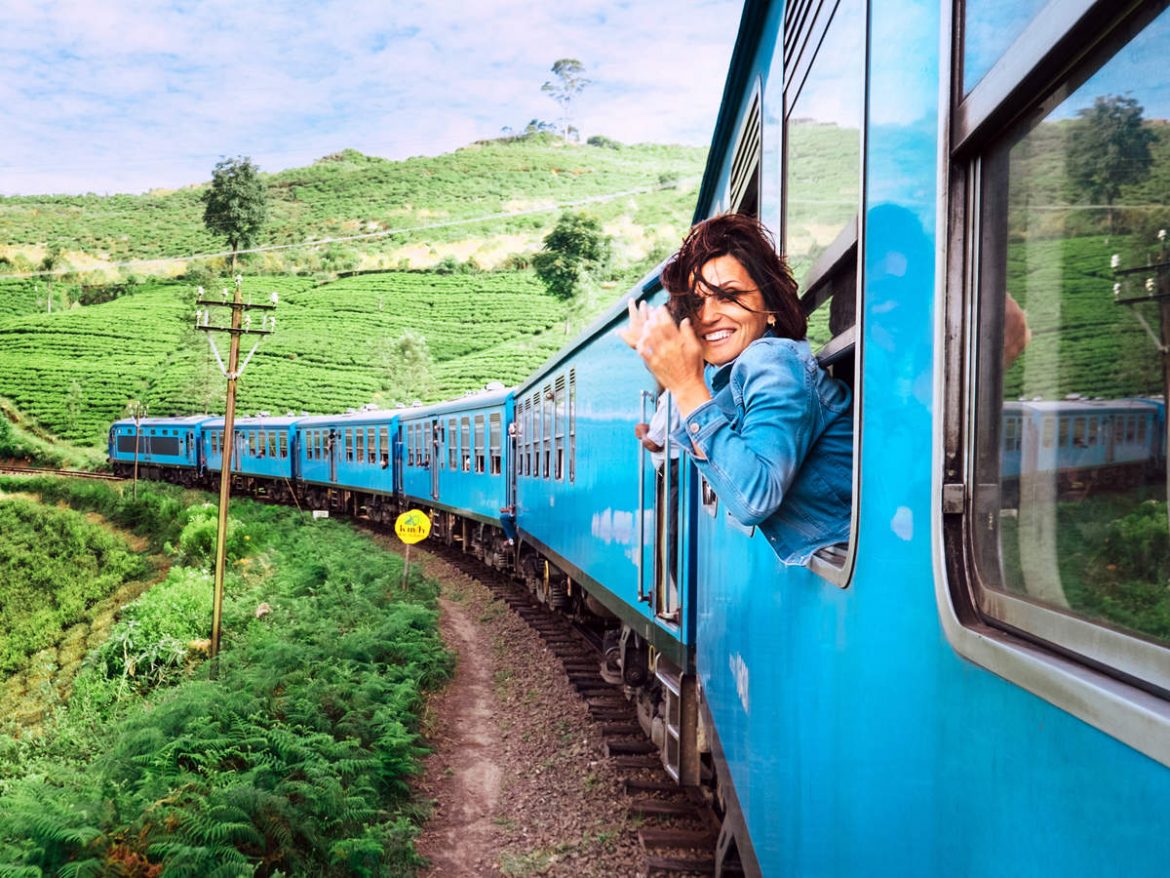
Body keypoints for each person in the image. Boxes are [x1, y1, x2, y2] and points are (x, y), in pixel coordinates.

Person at [619, 213, 852, 565]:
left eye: (728, 296)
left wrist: (684, 384)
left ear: (770, 307)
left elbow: (754, 498)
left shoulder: (771, 360)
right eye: (697, 303)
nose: (708, 316)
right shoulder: (736, 373)